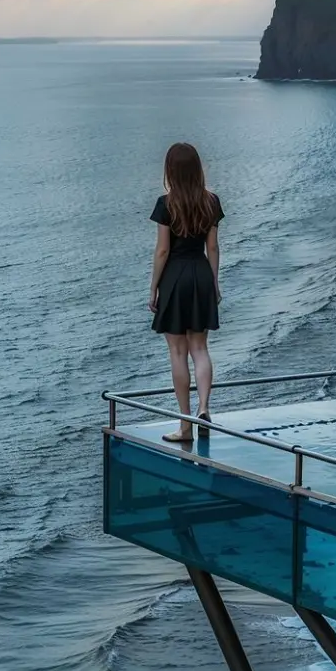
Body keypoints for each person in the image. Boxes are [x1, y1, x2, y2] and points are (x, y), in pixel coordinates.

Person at [149, 142, 223, 446]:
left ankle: (185, 423)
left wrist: (153, 287)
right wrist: (214, 283)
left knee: (178, 353)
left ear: (171, 170)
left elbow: (163, 250)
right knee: (200, 349)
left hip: (175, 278)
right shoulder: (211, 202)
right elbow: (213, 247)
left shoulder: (166, 204)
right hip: (201, 274)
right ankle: (205, 409)